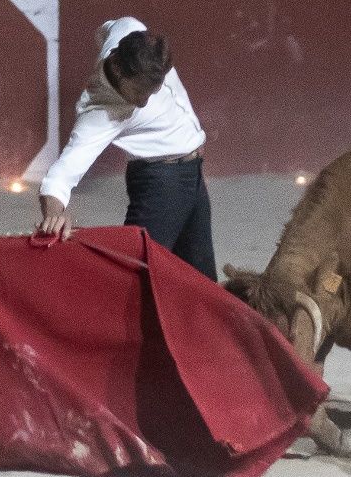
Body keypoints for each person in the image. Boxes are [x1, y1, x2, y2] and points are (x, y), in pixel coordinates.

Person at [35, 17, 216, 281]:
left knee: (202, 282)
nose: (143, 103)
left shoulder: (128, 29)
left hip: (192, 175)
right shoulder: (100, 112)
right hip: (161, 185)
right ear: (119, 71)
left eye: (151, 93)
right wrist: (54, 215)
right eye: (138, 93)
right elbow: (59, 176)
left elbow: (105, 30)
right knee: (131, 280)